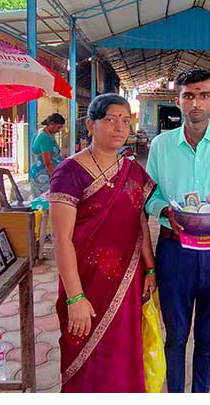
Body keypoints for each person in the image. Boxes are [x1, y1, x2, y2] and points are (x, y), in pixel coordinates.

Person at [144, 69, 210, 393]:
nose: (196, 102)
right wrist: (164, 210)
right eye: (189, 95)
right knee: (175, 338)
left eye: (204, 95)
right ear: (178, 101)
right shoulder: (162, 146)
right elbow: (151, 196)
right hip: (174, 252)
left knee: (208, 340)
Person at [48, 94, 157, 393]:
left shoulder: (132, 171)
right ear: (90, 125)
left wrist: (149, 268)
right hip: (85, 284)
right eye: (110, 119)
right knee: (86, 358)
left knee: (123, 356)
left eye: (125, 120)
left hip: (127, 283)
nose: (120, 127)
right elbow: (61, 238)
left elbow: (140, 221)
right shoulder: (70, 172)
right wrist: (75, 298)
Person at [31, 113, 67, 197]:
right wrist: (56, 179)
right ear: (51, 124)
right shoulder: (45, 138)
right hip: (43, 175)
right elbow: (48, 163)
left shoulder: (47, 134)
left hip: (46, 174)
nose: (59, 130)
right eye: (58, 127)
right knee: (45, 203)